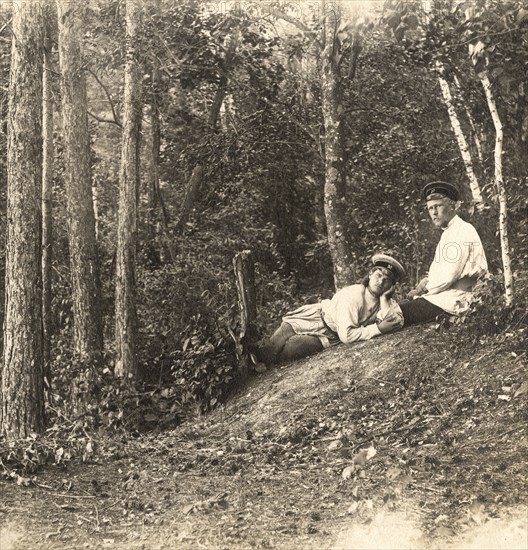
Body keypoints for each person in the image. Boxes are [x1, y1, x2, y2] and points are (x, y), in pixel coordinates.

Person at [253, 254, 406, 366]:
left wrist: (384, 299)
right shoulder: (353, 295)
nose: (381, 281)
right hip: (316, 318)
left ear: (392, 286)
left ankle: (269, 365)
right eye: (378, 275)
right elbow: (347, 335)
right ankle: (248, 359)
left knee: (296, 347)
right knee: (269, 349)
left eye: (387, 280)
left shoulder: (386, 301)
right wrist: (378, 328)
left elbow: (397, 322)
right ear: (370, 274)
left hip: (330, 336)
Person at [399, 181, 488, 326]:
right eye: (430, 208)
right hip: (447, 296)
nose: (434, 213)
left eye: (438, 206)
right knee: (401, 306)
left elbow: (448, 276)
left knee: (400, 312)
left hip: (459, 299)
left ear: (452, 206)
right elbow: (442, 270)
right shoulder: (448, 233)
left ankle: (361, 329)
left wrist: (422, 291)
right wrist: (426, 281)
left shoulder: (461, 230)